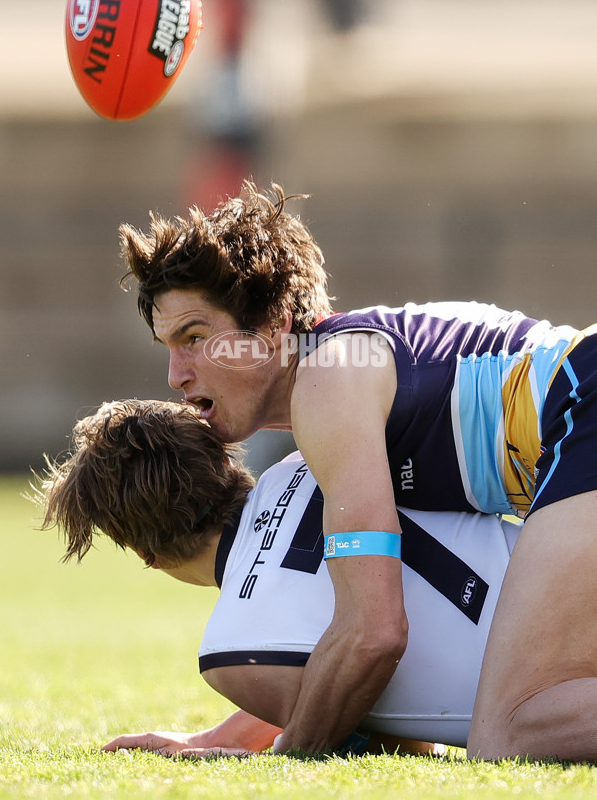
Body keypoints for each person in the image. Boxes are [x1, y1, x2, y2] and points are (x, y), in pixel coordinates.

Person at [118, 181, 597, 761]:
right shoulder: (333, 375)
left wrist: (286, 756)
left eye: (194, 337)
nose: (176, 375)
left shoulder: (325, 387)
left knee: (510, 732)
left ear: (272, 324)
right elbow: (344, 636)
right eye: (168, 345)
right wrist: (223, 737)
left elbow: (373, 632)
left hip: (585, 407)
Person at [36, 399, 521, 758]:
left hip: (554, 686)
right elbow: (315, 651)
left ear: (147, 555)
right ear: (226, 461)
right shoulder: (315, 457)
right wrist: (220, 737)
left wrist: (263, 754)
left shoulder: (231, 651)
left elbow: (406, 744)